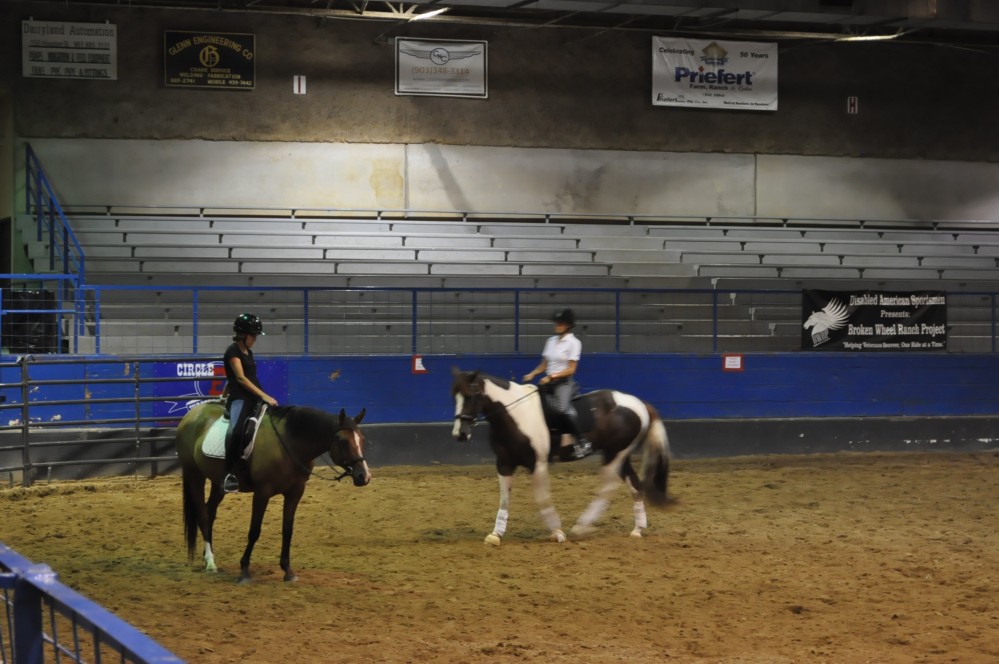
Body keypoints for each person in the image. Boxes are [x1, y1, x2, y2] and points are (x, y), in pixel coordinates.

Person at [523, 308, 592, 459]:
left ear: (568, 325)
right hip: (548, 382)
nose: (557, 325)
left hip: (563, 383)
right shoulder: (551, 341)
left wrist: (552, 377)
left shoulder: (574, 343)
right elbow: (544, 364)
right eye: (556, 322)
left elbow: (571, 369)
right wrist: (532, 374)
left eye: (560, 323)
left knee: (562, 409)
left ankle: (583, 442)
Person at [221, 313, 278, 493]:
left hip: (254, 398)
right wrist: (265, 396)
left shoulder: (248, 352)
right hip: (240, 398)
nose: (255, 339)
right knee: (237, 431)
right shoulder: (233, 351)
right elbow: (240, 378)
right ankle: (229, 474)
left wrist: (222, 394)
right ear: (242, 334)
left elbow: (231, 379)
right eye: (252, 335)